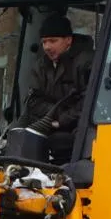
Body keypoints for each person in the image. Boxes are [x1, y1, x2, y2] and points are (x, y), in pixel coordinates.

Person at [20, 11, 94, 149]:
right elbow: (33, 100)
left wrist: (62, 120)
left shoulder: (86, 63)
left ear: (68, 40)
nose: (47, 47)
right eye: (44, 42)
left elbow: (90, 102)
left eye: (53, 41)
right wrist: (54, 115)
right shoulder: (41, 65)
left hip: (78, 128)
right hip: (50, 125)